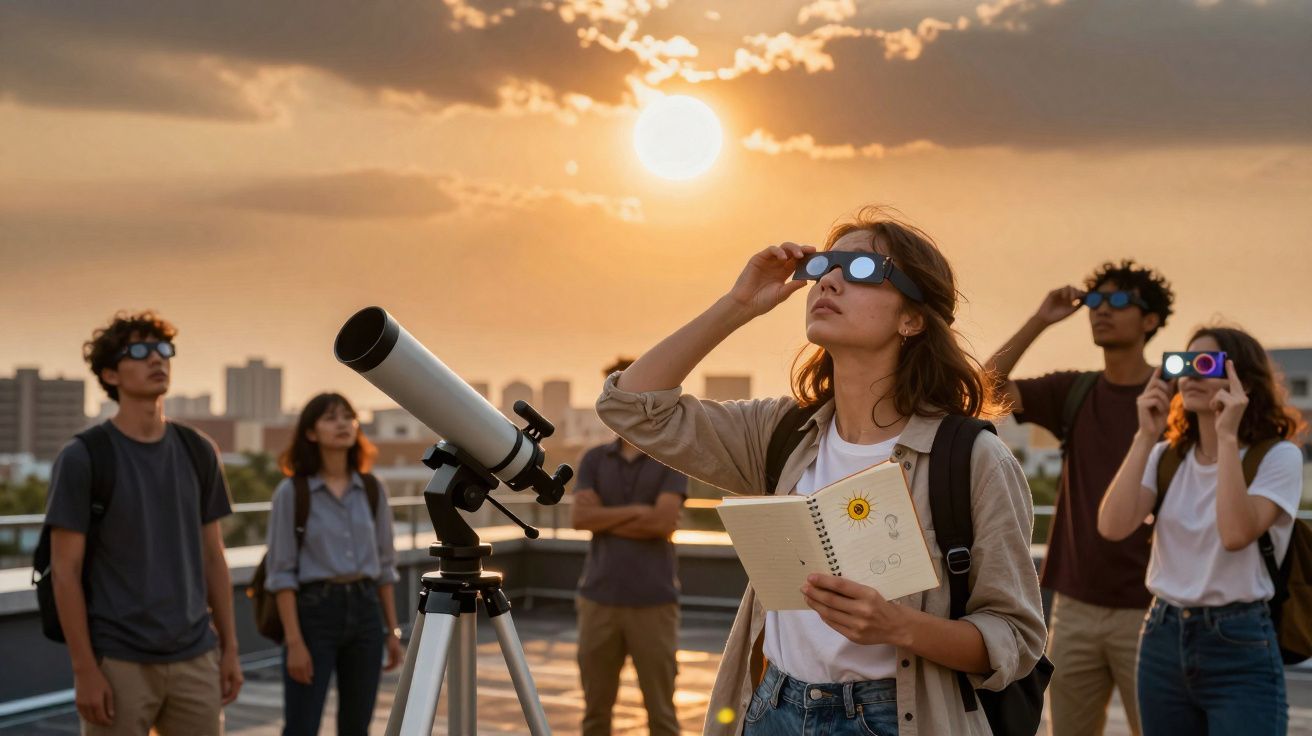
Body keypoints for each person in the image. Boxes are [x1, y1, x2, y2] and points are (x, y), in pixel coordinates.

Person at [596, 207, 1045, 735]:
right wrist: (738, 305)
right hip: (773, 707)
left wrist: (899, 626)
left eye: (861, 270)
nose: (830, 279)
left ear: (913, 318)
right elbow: (631, 407)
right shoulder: (782, 434)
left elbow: (1014, 638)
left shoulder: (971, 458)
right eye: (824, 266)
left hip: (896, 716)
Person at [985, 261, 1175, 736]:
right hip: (1073, 608)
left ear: (1150, 320)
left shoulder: (1174, 398)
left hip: (1154, 607)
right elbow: (981, 389)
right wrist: (1041, 318)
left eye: (1117, 302)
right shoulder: (1076, 391)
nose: (1100, 311)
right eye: (1094, 301)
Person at [1098, 326, 1304, 735]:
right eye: (1184, 363)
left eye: (1206, 364)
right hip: (1161, 635)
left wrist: (1226, 437)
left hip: (1240, 641)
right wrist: (1144, 436)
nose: (1190, 375)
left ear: (1241, 380)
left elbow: (1234, 534)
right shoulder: (1165, 457)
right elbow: (1112, 525)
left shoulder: (1278, 458)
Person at [46, 311, 242, 735]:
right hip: (118, 661)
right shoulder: (83, 457)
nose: (157, 359)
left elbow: (214, 558)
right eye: (139, 351)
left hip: (195, 655)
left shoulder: (198, 450)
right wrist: (85, 671)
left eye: (162, 349)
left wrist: (229, 650)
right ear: (111, 373)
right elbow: (65, 572)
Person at [263, 393, 405, 736]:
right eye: (330, 418)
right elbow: (281, 574)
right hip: (313, 616)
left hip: (366, 611)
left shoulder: (372, 489)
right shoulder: (292, 492)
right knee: (302, 726)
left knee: (357, 726)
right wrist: (294, 643)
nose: (342, 424)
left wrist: (391, 631)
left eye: (347, 416)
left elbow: (385, 566)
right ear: (311, 433)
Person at [571, 357, 689, 736]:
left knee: (662, 715)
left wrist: (609, 516)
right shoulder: (592, 459)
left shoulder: (671, 460)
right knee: (594, 714)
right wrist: (640, 511)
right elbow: (580, 519)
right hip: (598, 600)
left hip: (653, 602)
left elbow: (662, 523)